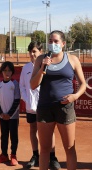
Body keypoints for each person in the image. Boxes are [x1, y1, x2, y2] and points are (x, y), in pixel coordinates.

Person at [30, 30, 86, 170]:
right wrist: (43, 67)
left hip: (65, 109)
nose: (52, 44)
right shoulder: (40, 59)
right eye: (50, 41)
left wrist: (75, 96)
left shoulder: (72, 59)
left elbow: (83, 84)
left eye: (56, 41)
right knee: (44, 149)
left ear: (63, 44)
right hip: (45, 108)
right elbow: (33, 85)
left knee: (69, 148)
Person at [20, 41, 61, 169]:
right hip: (31, 107)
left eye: (35, 52)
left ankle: (53, 157)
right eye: (30, 52)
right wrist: (26, 99)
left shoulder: (48, 66)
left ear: (40, 52)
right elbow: (22, 86)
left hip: (44, 105)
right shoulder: (25, 68)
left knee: (49, 132)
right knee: (33, 130)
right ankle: (35, 155)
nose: (32, 54)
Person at [0, 61, 20, 166]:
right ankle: (4, 155)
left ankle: (13, 155)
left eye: (9, 71)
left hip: (13, 116)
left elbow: (17, 100)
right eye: (5, 71)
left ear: (12, 72)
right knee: (4, 136)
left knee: (13, 136)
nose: (7, 73)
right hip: (2, 116)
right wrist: (1, 113)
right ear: (1, 72)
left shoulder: (15, 84)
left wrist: (10, 114)